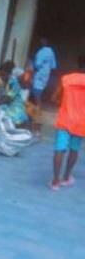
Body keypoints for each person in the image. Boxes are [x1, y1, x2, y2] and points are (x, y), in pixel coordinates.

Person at [49, 55, 85, 190]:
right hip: (81, 122)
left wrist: (64, 102)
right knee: (74, 150)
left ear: (78, 64)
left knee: (59, 149)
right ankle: (66, 177)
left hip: (65, 119)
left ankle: (55, 181)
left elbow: (54, 98)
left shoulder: (66, 79)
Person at [29, 37, 57, 135]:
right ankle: (36, 124)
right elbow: (53, 66)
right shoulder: (51, 51)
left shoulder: (41, 52)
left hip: (38, 78)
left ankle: (37, 125)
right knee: (38, 100)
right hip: (45, 78)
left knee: (36, 101)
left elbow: (36, 65)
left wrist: (32, 65)